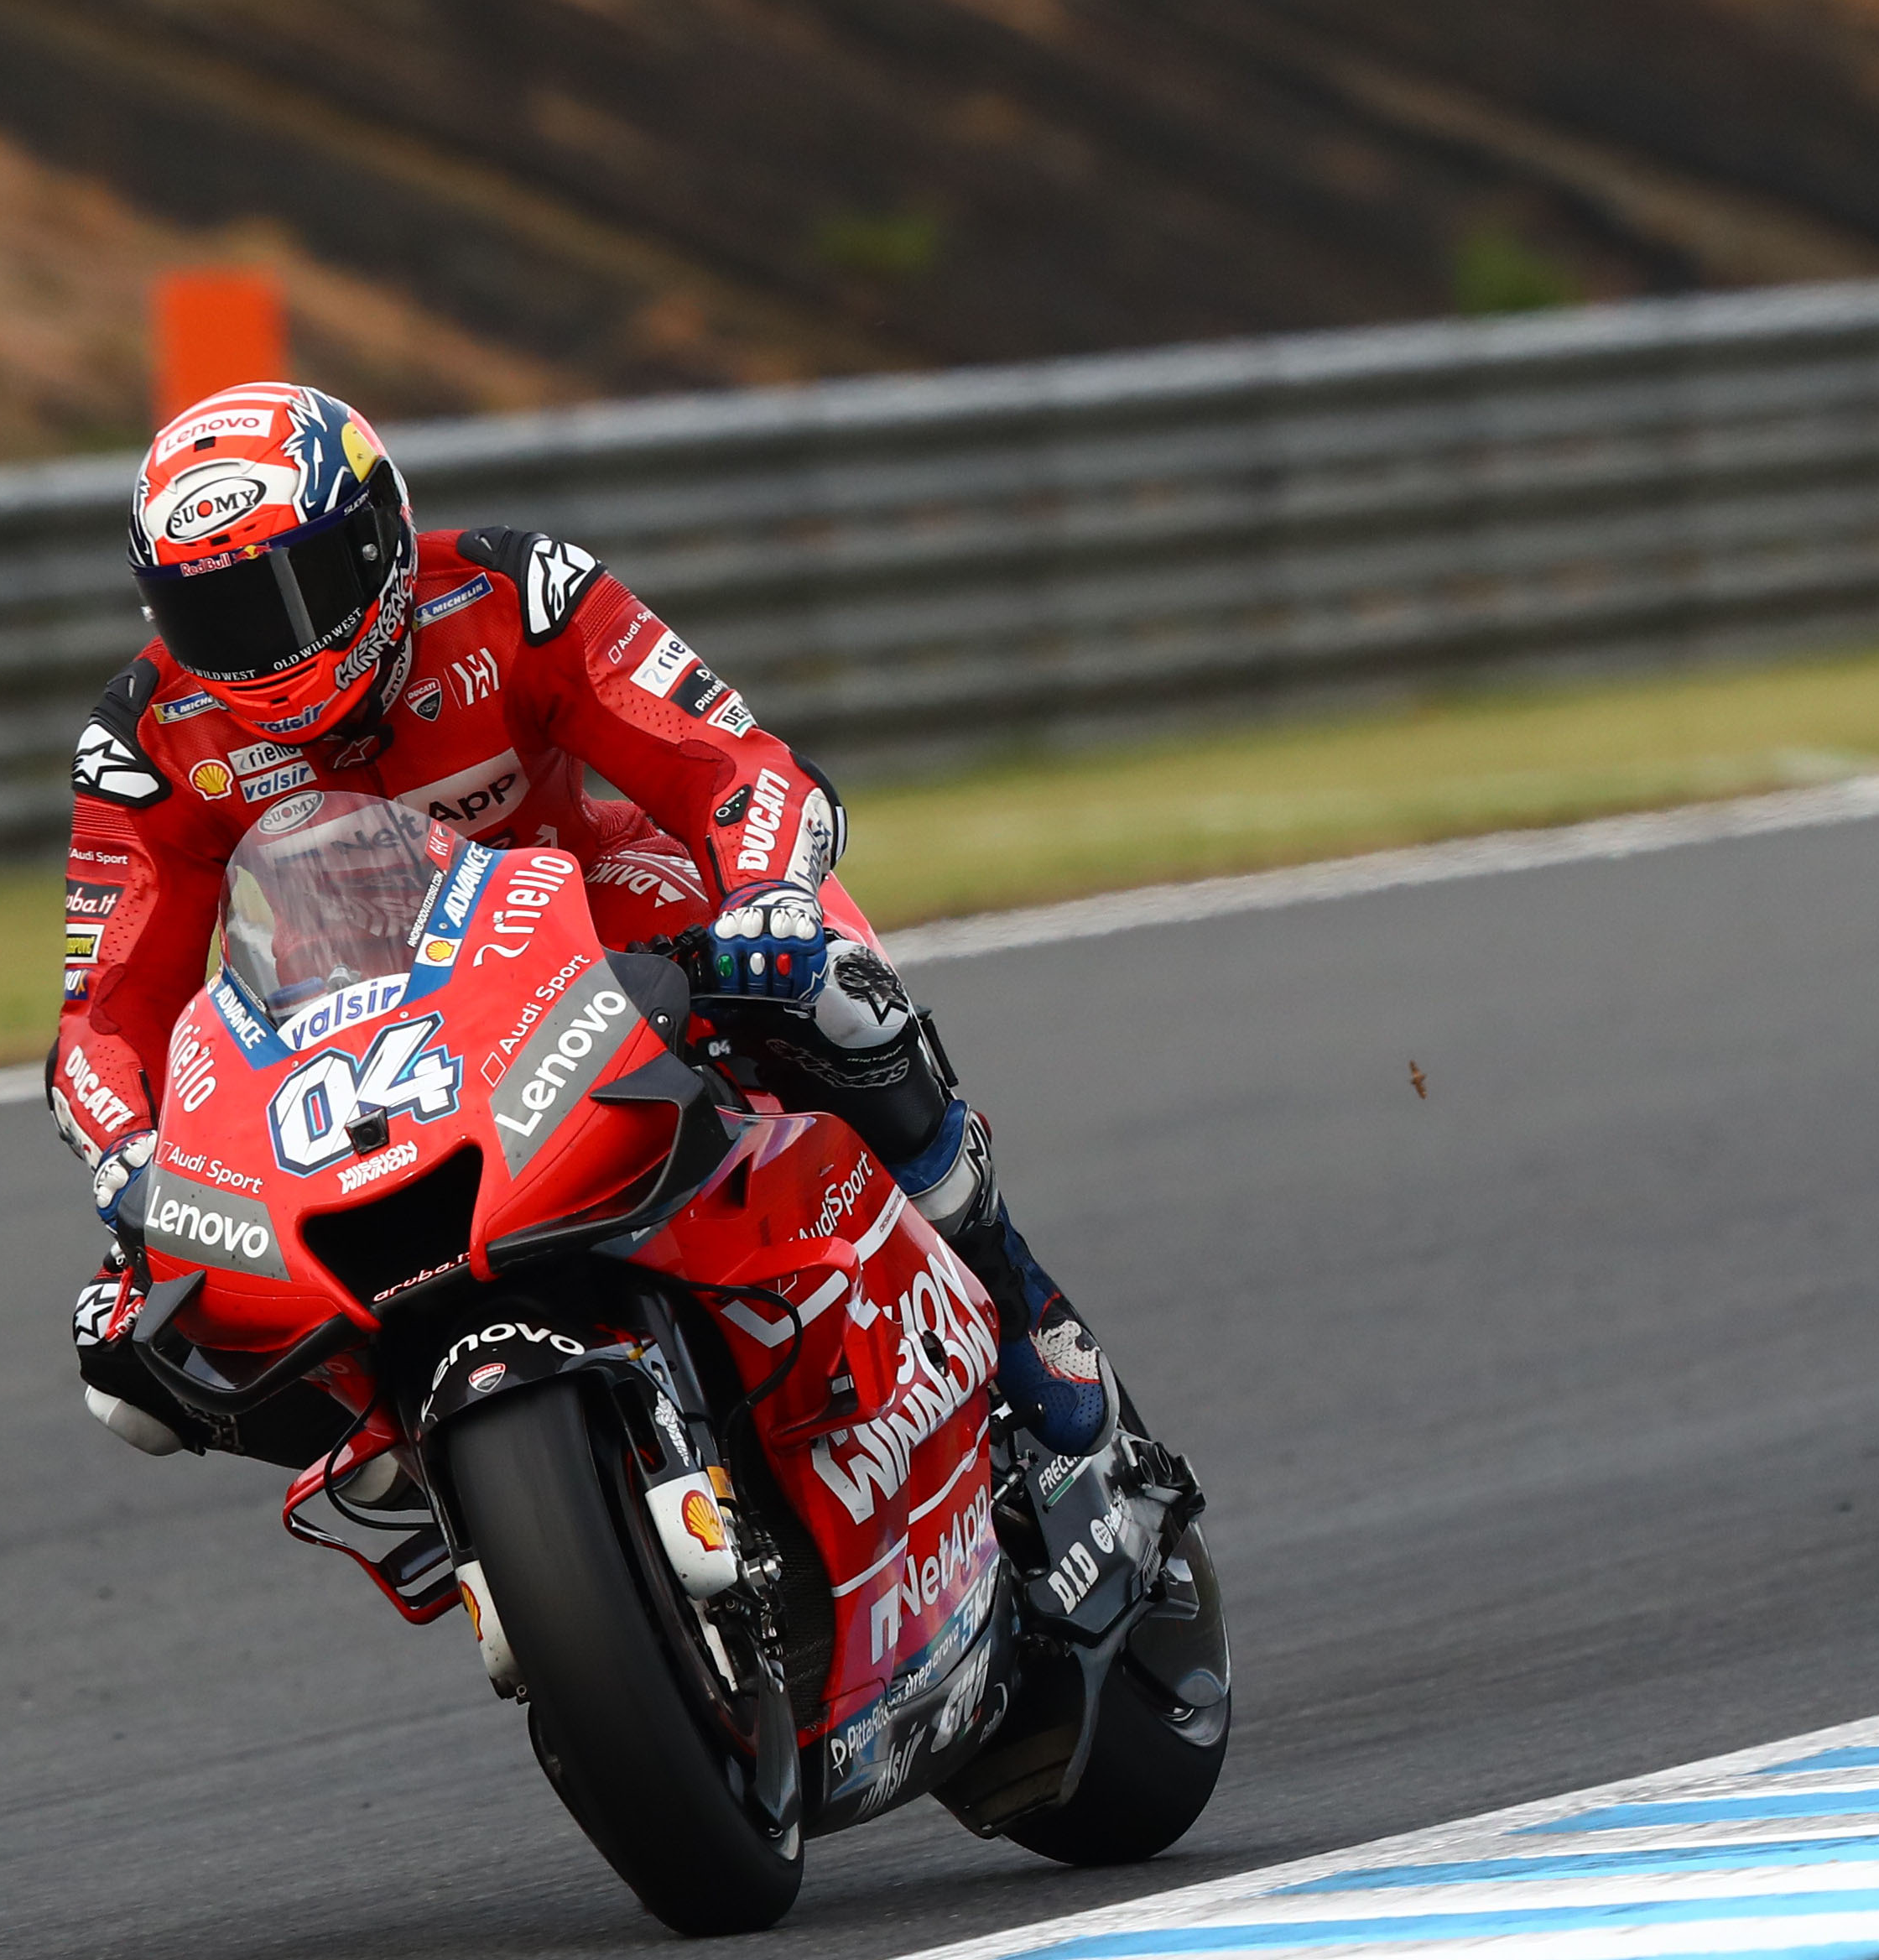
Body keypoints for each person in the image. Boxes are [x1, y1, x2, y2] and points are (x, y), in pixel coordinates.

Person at [55, 380, 1111, 1464]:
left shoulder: (516, 590)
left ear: (379, 543)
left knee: (830, 995)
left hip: (594, 914)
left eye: (290, 589)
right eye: (215, 614)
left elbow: (730, 760)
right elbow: (105, 1002)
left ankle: (1009, 1288)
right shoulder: (148, 737)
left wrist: (767, 899)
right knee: (128, 1362)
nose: (262, 646)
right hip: (343, 1013)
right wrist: (128, 1158)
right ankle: (413, 1471)